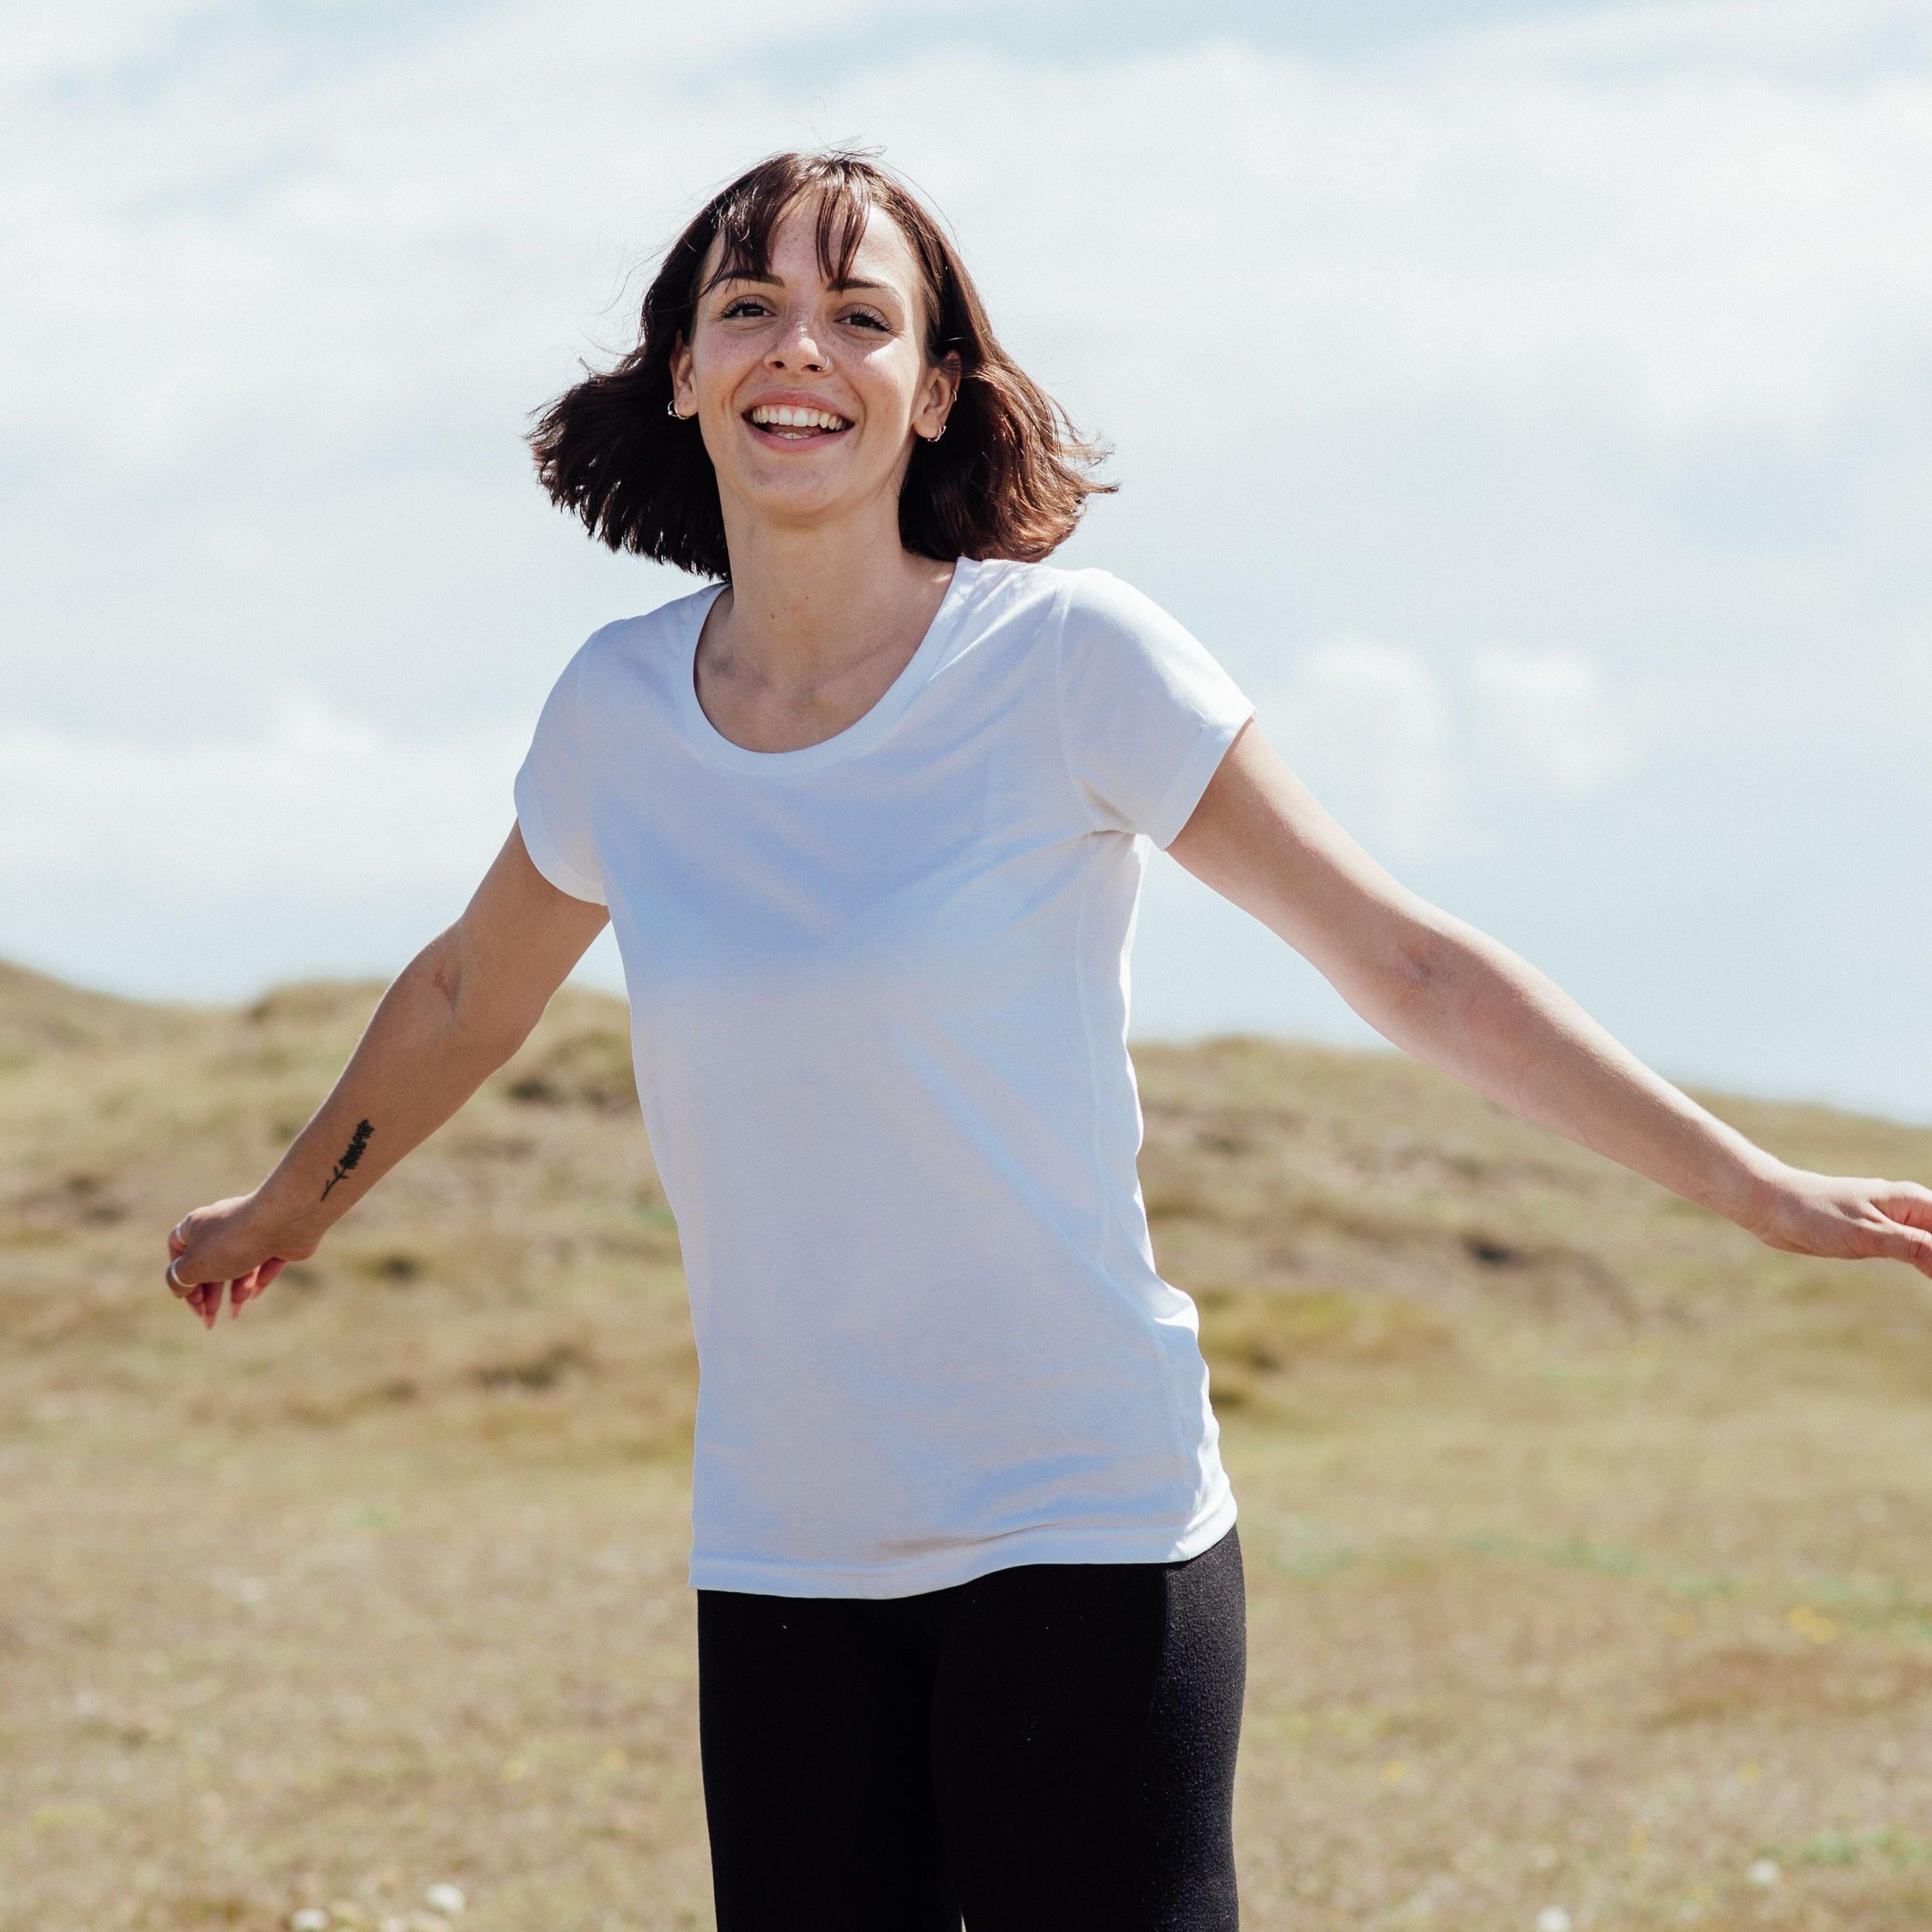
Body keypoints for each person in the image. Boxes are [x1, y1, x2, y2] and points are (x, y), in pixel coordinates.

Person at [163, 148, 1932, 1932]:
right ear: (685, 371)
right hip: (786, 1546)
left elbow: (1407, 964)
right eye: (751, 307)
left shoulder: (1071, 663)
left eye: (861, 316)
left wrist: (1753, 1186)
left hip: (1087, 1532)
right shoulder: (618, 713)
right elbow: (467, 994)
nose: (801, 348)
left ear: (934, 391)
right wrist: (285, 1210)